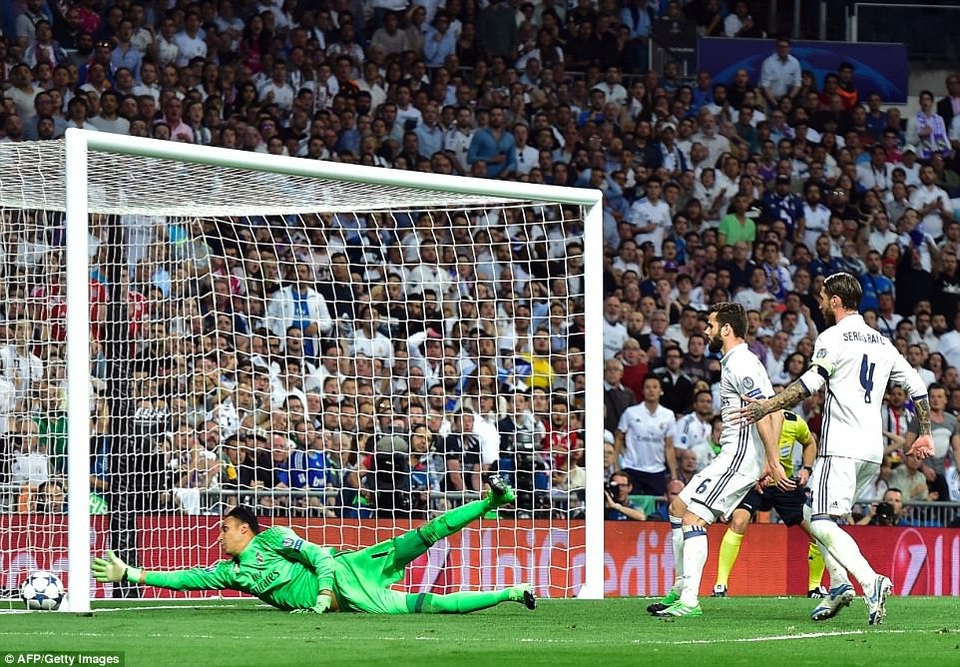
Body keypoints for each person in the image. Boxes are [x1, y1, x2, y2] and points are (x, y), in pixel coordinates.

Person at [739, 272, 934, 625]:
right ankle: (839, 584)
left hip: (840, 447)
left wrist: (767, 406)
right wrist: (925, 434)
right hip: (872, 451)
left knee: (822, 521)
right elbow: (918, 386)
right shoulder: (882, 341)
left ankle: (868, 581)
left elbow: (812, 382)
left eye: (821, 296)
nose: (817, 302)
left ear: (835, 301)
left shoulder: (832, 336)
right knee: (817, 513)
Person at [93, 477, 536, 614]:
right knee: (429, 606)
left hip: (346, 577)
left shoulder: (271, 539)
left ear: (245, 529)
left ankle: (491, 500)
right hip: (349, 592)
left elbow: (319, 553)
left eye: (225, 528)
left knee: (422, 536)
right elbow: (186, 579)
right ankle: (511, 593)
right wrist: (130, 573)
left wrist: (324, 592)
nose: (219, 534)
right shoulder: (233, 573)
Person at [647, 302, 788, 618]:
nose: (706, 330)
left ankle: (690, 601)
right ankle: (680, 587)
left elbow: (767, 411)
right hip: (734, 454)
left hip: (738, 456)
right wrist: (769, 458)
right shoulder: (738, 362)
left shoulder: (741, 364)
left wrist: (771, 460)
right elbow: (776, 409)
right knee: (677, 508)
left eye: (710, 325)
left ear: (726, 329)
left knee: (693, 519)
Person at [711, 410, 838, 599]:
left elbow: (810, 442)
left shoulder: (794, 421)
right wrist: (750, 476)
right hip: (752, 482)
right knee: (738, 522)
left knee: (816, 531)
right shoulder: (748, 422)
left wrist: (807, 469)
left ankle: (814, 587)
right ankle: (720, 585)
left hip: (783, 483)